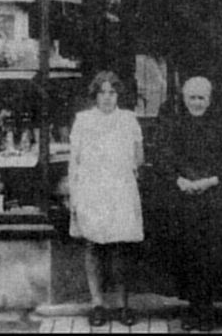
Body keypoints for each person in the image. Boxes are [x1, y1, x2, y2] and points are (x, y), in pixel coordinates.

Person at [157, 76, 222, 331]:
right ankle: (193, 309)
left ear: (210, 99)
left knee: (212, 256)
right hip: (184, 199)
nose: (196, 103)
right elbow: (163, 158)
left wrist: (210, 181)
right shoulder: (174, 124)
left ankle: (207, 309)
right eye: (192, 98)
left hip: (215, 200)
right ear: (184, 99)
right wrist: (179, 181)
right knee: (188, 255)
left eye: (201, 98)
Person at [68, 71, 145, 327]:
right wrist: (75, 194)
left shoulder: (129, 120)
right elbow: (75, 161)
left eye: (112, 92)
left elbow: (139, 158)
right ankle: (97, 304)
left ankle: (123, 305)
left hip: (120, 189)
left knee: (120, 247)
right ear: (95, 95)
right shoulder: (83, 121)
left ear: (118, 95)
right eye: (102, 92)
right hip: (91, 190)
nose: (107, 98)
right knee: (93, 246)